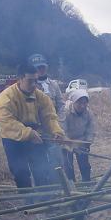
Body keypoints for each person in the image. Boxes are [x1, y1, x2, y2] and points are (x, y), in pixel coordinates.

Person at [0, 63, 65, 189]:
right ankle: (27, 197)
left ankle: (44, 196)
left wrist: (56, 131)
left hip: (35, 135)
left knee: (41, 169)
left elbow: (49, 117)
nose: (34, 84)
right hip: (12, 138)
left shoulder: (41, 97)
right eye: (30, 81)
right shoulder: (6, 97)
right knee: (20, 172)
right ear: (20, 79)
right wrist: (28, 133)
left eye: (35, 81)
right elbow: (7, 121)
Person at [28, 53, 65, 181]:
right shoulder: (29, 86)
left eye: (42, 67)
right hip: (37, 131)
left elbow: (61, 105)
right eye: (37, 68)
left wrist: (59, 123)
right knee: (39, 162)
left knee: (57, 160)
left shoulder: (53, 84)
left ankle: (58, 184)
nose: (41, 70)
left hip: (53, 129)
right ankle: (43, 187)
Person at [59, 89, 95, 182]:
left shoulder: (88, 113)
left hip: (81, 141)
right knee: (68, 165)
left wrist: (87, 142)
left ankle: (87, 182)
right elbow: (62, 130)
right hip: (67, 141)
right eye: (79, 103)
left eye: (84, 103)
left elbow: (91, 130)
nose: (82, 106)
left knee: (84, 164)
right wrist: (70, 143)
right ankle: (72, 184)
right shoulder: (65, 112)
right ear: (73, 102)